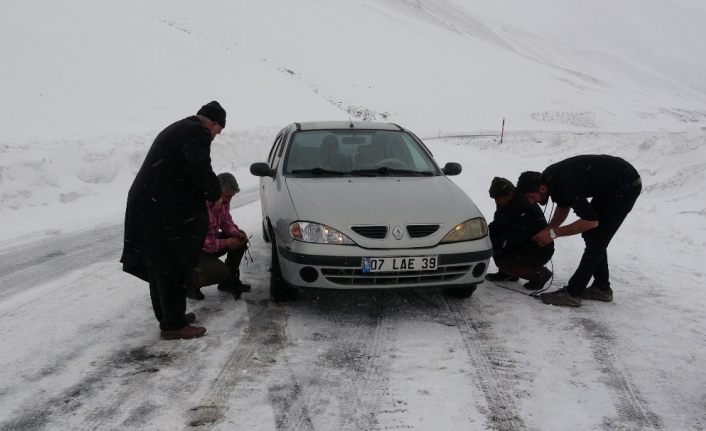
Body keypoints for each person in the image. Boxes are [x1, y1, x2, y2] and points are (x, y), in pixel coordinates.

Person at [120, 101, 226, 339]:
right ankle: (174, 326)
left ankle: (169, 317)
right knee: (174, 264)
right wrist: (214, 193)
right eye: (217, 131)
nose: (215, 136)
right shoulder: (197, 132)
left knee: (160, 265)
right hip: (161, 208)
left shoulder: (180, 127)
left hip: (151, 204)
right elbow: (200, 167)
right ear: (213, 123)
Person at [516, 155, 642, 307]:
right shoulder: (550, 179)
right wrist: (549, 229)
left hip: (625, 186)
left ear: (541, 188)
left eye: (531, 197)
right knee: (593, 237)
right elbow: (563, 206)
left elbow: (590, 221)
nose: (531, 202)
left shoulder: (564, 184)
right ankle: (601, 288)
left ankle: (572, 294)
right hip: (610, 186)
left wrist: (554, 234)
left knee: (597, 240)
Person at [187, 172, 252, 300]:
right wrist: (227, 242)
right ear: (216, 190)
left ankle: (228, 282)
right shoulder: (201, 205)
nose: (229, 200)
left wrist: (236, 233)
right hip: (195, 251)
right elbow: (205, 243)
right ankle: (188, 284)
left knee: (240, 238)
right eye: (227, 196)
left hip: (209, 244)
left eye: (231, 197)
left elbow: (226, 220)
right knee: (222, 272)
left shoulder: (222, 201)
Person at [485, 177, 554, 290]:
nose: (497, 202)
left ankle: (539, 274)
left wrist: (498, 246)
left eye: (498, 198)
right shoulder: (505, 203)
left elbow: (516, 236)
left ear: (509, 194)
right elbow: (499, 223)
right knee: (494, 242)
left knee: (501, 251)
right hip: (521, 241)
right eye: (495, 199)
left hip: (537, 248)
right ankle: (507, 273)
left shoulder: (523, 206)